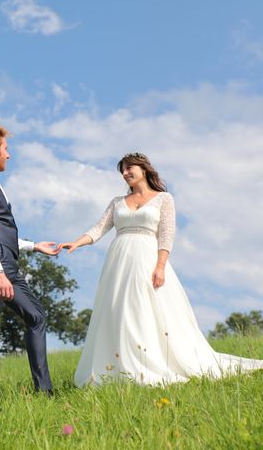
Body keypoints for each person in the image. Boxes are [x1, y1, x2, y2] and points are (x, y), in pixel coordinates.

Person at [59, 152, 263, 386]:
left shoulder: (164, 199)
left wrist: (160, 266)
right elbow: (98, 229)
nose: (125, 173)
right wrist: (76, 242)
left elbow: (166, 234)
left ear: (144, 169)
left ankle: (150, 363)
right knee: (119, 310)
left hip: (147, 257)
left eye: (129, 168)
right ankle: (119, 366)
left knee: (145, 308)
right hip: (119, 261)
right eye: (122, 170)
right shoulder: (117, 202)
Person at [0, 125, 60, 409]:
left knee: (37, 316)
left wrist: (33, 246)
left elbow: (0, 230)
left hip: (6, 261)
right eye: (5, 149)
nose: (9, 154)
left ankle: (44, 392)